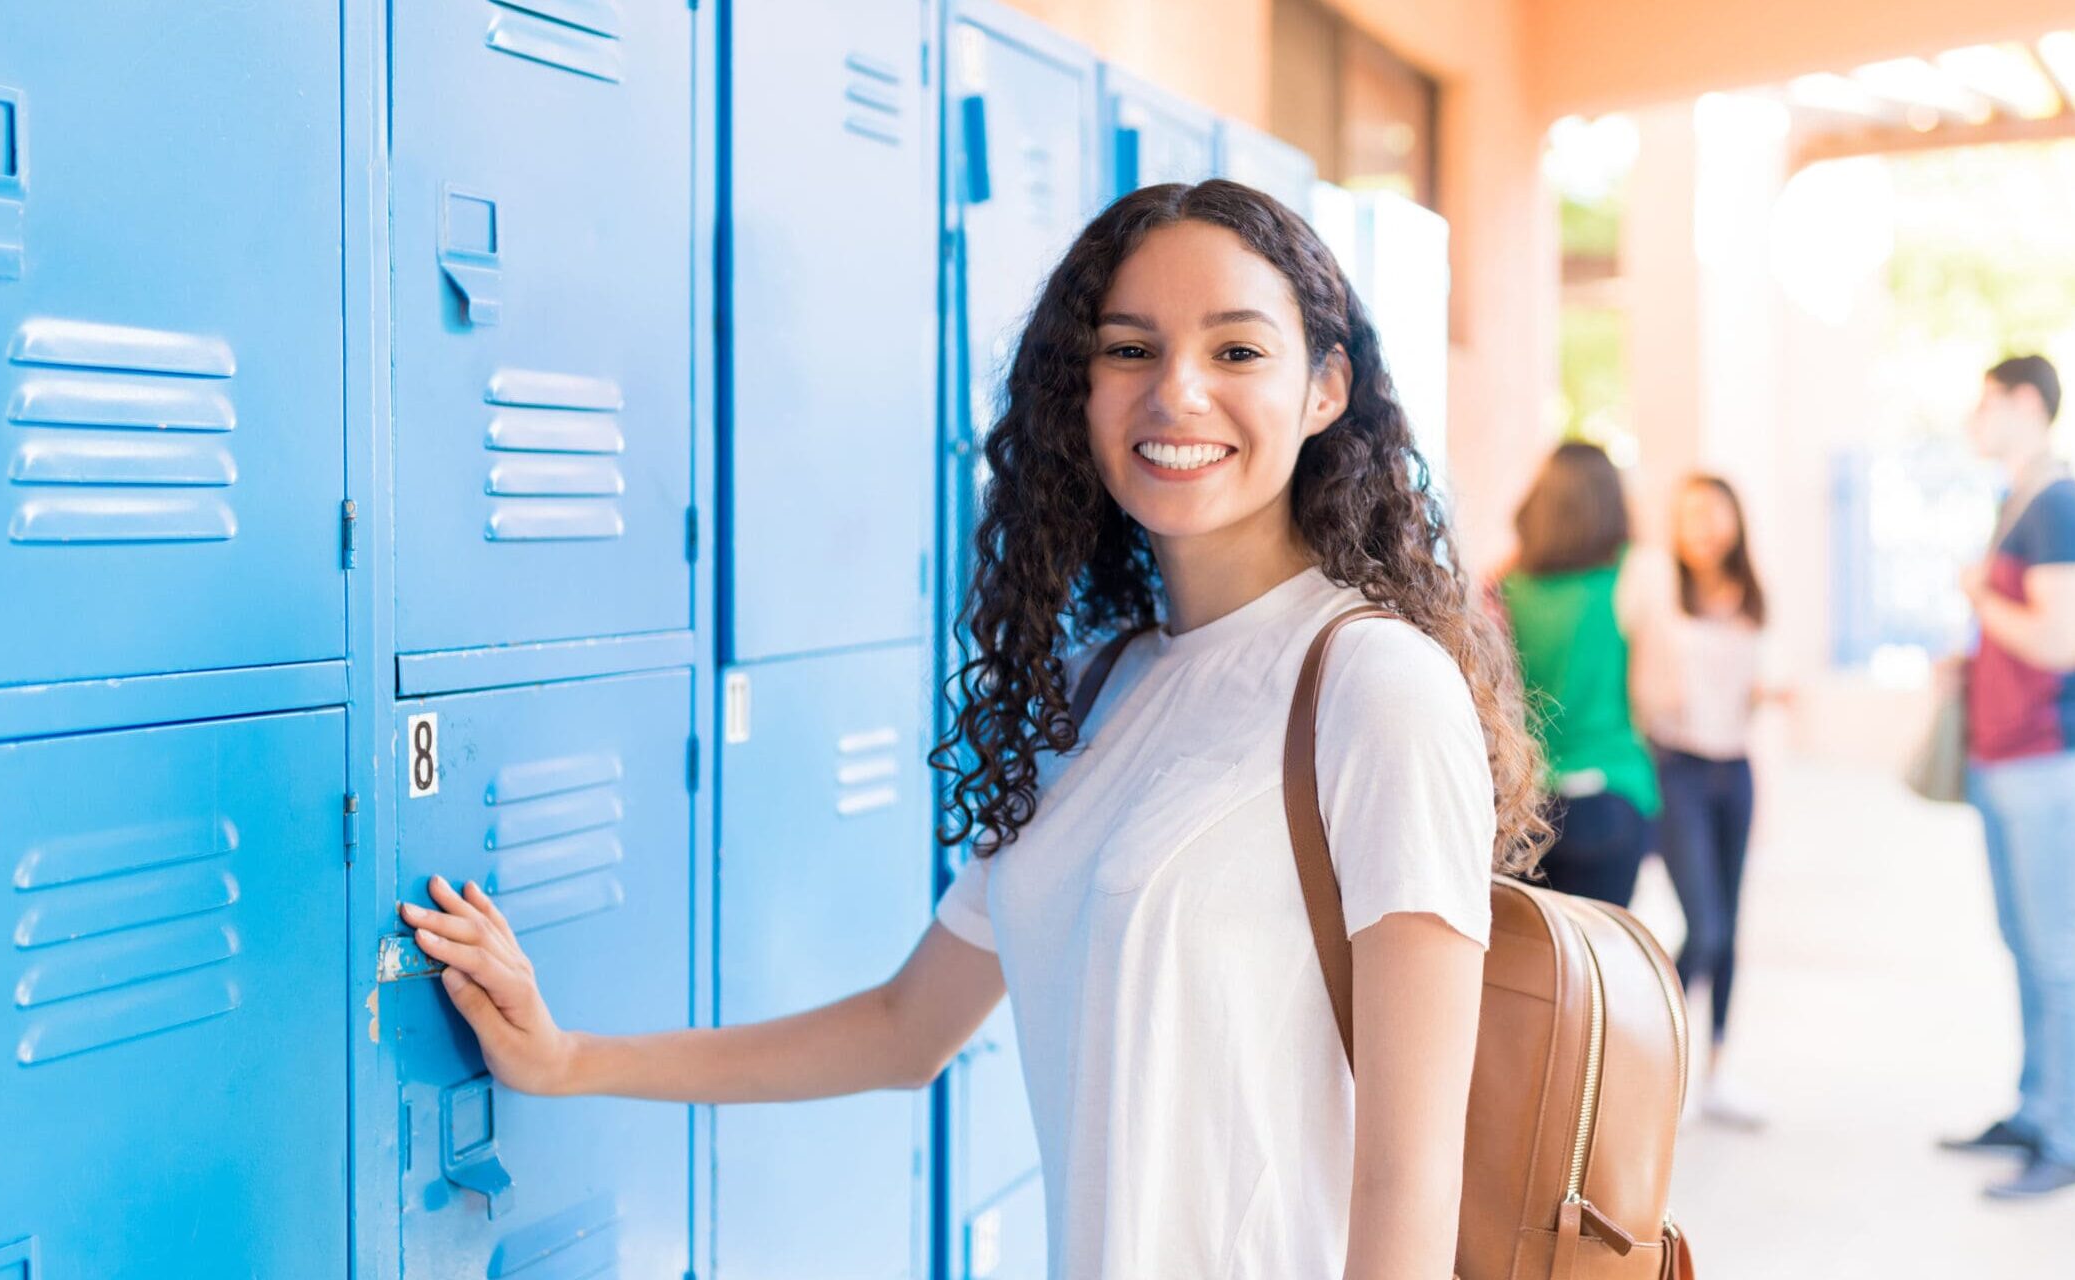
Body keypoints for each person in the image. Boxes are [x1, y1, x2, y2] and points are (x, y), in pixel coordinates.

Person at [397, 179, 1550, 1278]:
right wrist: (568, 1058)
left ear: (1325, 388)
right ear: (1079, 390)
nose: (1177, 394)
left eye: (1236, 350)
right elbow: (906, 1028)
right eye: (1130, 347)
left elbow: (1409, 1177)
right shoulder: (1102, 686)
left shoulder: (1371, 686)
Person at [1936, 353, 2075, 1201]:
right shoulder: (2020, 504)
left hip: (2051, 762)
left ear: (2022, 403)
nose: (1975, 421)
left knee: (2059, 951)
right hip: (2009, 758)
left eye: (1985, 403)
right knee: (2026, 945)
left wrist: (1979, 598)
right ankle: (2038, 1110)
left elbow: (2061, 641)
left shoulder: (2062, 509)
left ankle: (2069, 1137)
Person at [1642, 474, 1776, 1130]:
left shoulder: (1751, 594)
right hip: (1678, 769)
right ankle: (1645, 1040)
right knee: (1707, 925)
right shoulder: (1658, 589)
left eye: (1715, 515)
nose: (1704, 528)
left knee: (1732, 930)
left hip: (1736, 771)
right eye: (1691, 515)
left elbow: (1750, 689)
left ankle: (1718, 1073)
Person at [1498, 443, 1665, 908]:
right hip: (1611, 793)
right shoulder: (1633, 573)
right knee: (1599, 967)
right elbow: (1656, 696)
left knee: (1538, 973)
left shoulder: (1507, 585)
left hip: (1526, 810)